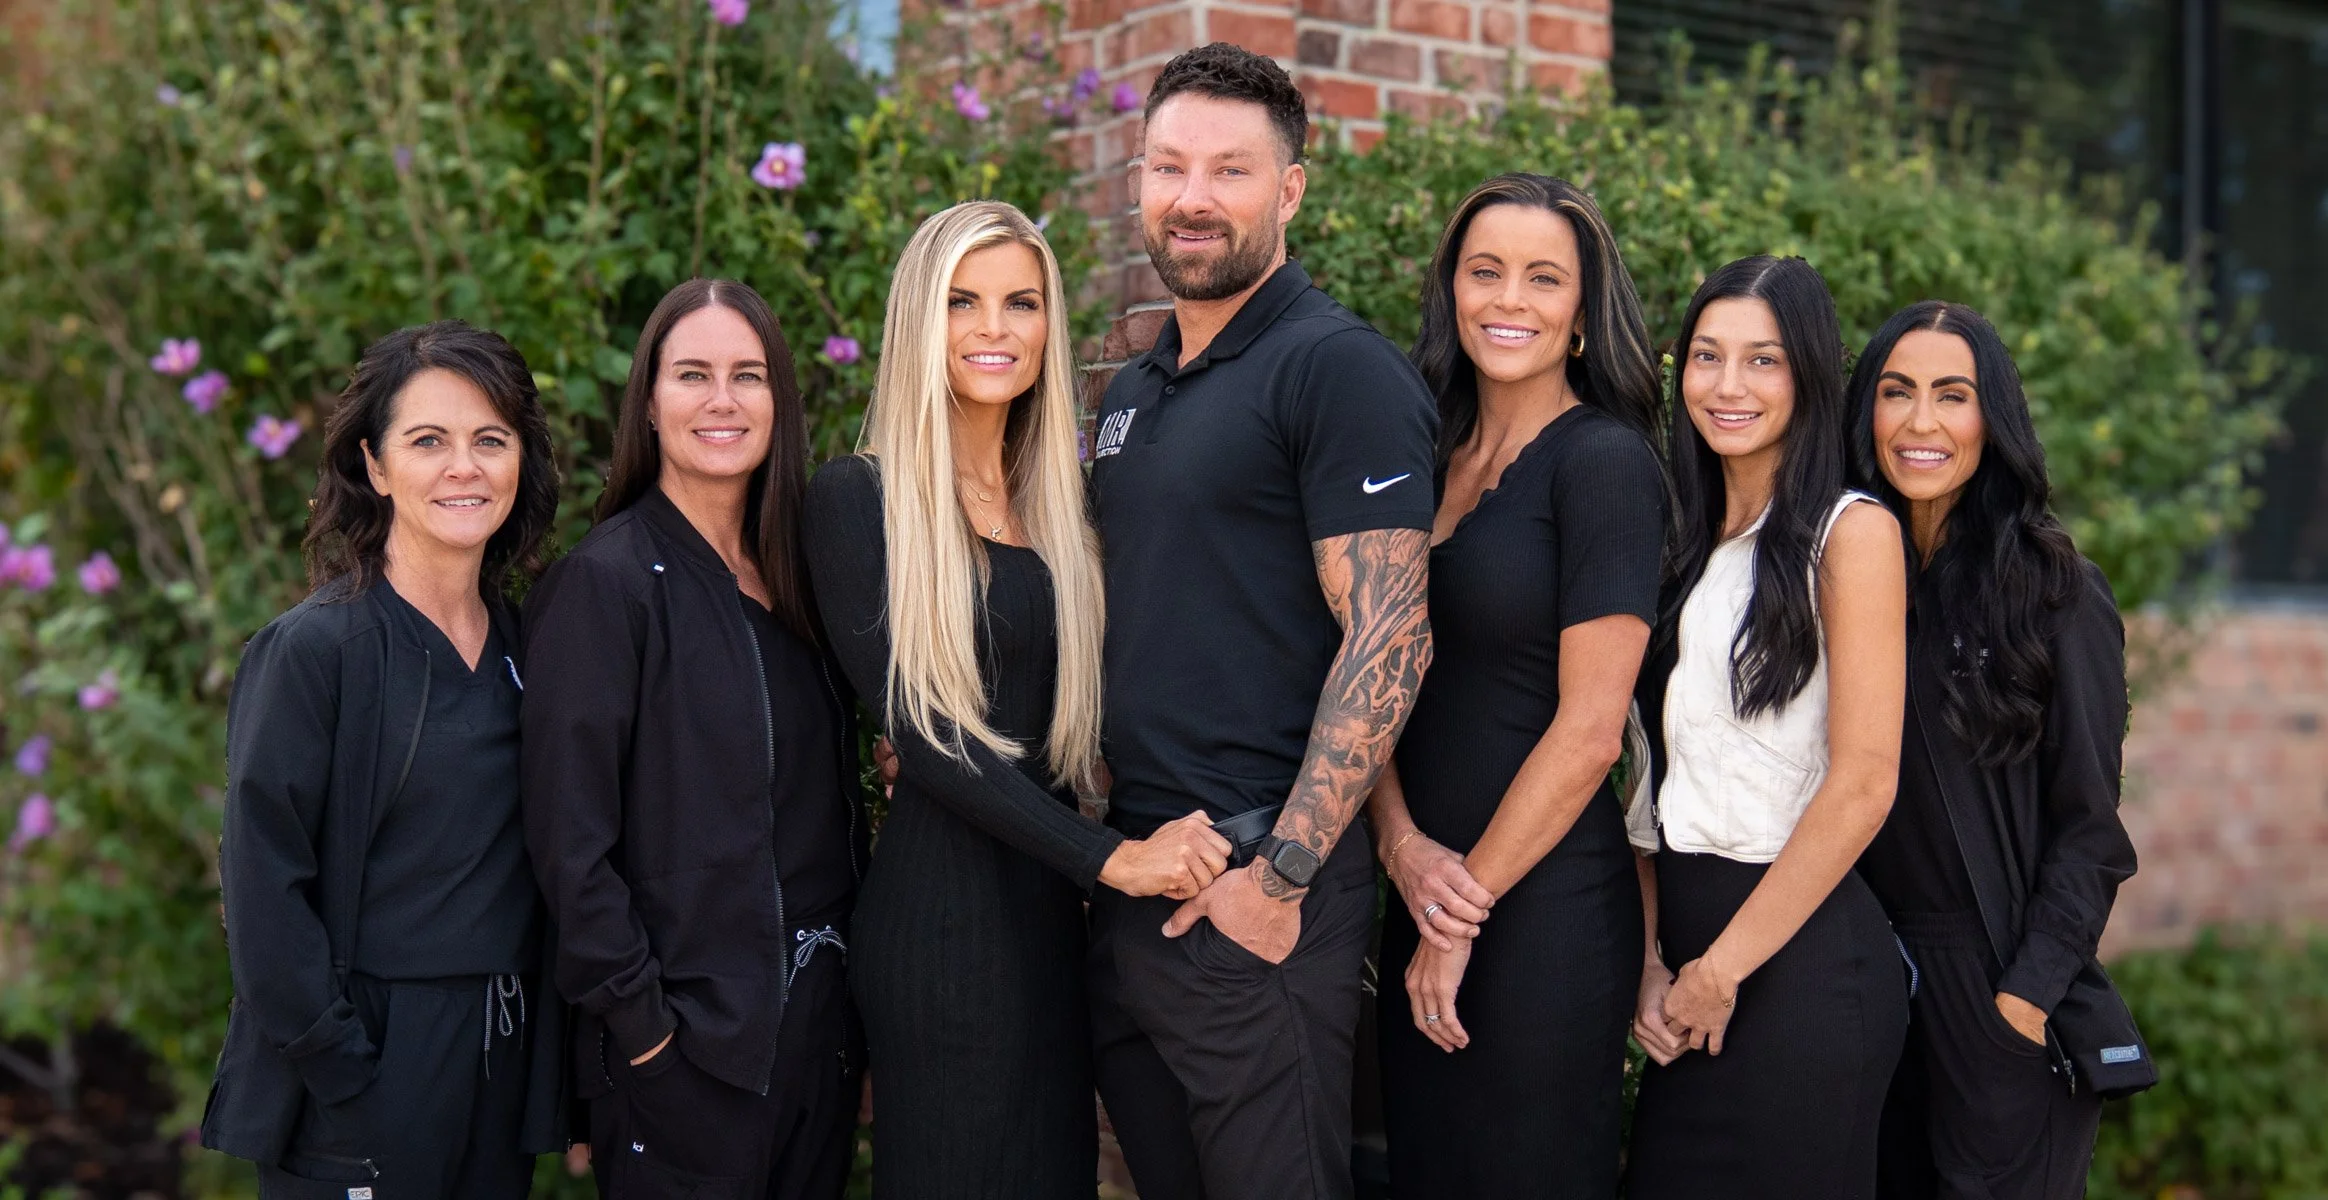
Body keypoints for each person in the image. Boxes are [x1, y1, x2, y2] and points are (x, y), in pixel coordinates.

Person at [803, 201, 1230, 1198]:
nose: (995, 329)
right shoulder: (856, 499)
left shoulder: (1059, 513)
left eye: (1021, 303)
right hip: (943, 926)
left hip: (1047, 917)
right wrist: (1115, 859)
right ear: (922, 322)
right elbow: (926, 734)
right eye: (963, 302)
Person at [1085, 42, 1439, 1200]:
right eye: (1169, 167)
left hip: (1255, 889)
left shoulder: (1337, 370)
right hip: (1132, 879)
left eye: (1230, 171)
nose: (1193, 198)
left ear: (1289, 191)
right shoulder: (1131, 396)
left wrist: (1279, 875)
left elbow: (1391, 636)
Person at [200, 320, 566, 1197]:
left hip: (500, 1055)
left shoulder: (536, 647)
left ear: (521, 460)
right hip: (363, 1062)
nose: (463, 467)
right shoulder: (314, 652)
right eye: (428, 441)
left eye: (490, 440)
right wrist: (343, 1067)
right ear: (374, 466)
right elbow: (261, 882)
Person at [520, 279, 864, 1197]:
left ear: (779, 402)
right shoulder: (607, 587)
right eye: (693, 374)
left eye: (748, 375)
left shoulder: (802, 581)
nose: (722, 400)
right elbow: (569, 847)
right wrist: (647, 1035)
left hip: (815, 1046)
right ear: (650, 399)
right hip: (685, 1060)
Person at [1367, 173, 1667, 1198]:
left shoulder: (1606, 465)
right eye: (1485, 271)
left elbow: (1591, 734)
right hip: (1420, 890)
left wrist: (1457, 917)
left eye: (1544, 279)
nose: (1509, 300)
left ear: (1583, 312)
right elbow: (1368, 676)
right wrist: (1400, 848)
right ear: (1451, 287)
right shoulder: (1422, 455)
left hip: (1543, 919)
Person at [1847, 301, 2151, 1200]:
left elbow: (2091, 831)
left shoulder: (2059, 593)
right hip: (1863, 985)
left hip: (1998, 984)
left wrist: (2019, 1004)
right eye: (1896, 392)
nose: (1921, 422)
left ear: (1995, 419)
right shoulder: (1845, 576)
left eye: (1953, 395)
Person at [1623, 255, 1910, 1199]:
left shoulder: (1849, 532)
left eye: (1764, 361)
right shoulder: (1682, 540)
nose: (1729, 386)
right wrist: (1656, 962)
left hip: (1803, 971)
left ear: (1810, 378)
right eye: (1708, 357)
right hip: (1690, 966)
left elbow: (1866, 779)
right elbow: (1650, 781)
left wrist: (1722, 969)